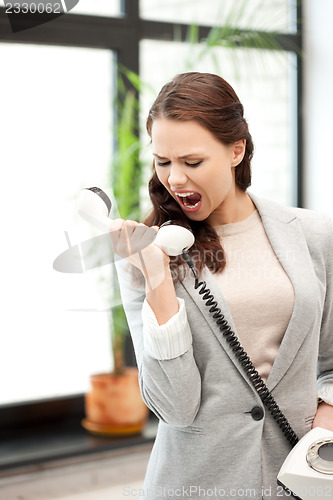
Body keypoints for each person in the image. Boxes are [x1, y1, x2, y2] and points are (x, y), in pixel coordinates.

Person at [111, 72, 333, 500]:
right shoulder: (147, 254)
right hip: (195, 483)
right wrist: (157, 280)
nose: (174, 179)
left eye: (191, 162)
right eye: (162, 162)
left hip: (299, 477)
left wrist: (329, 408)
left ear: (236, 150)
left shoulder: (315, 234)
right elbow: (173, 408)